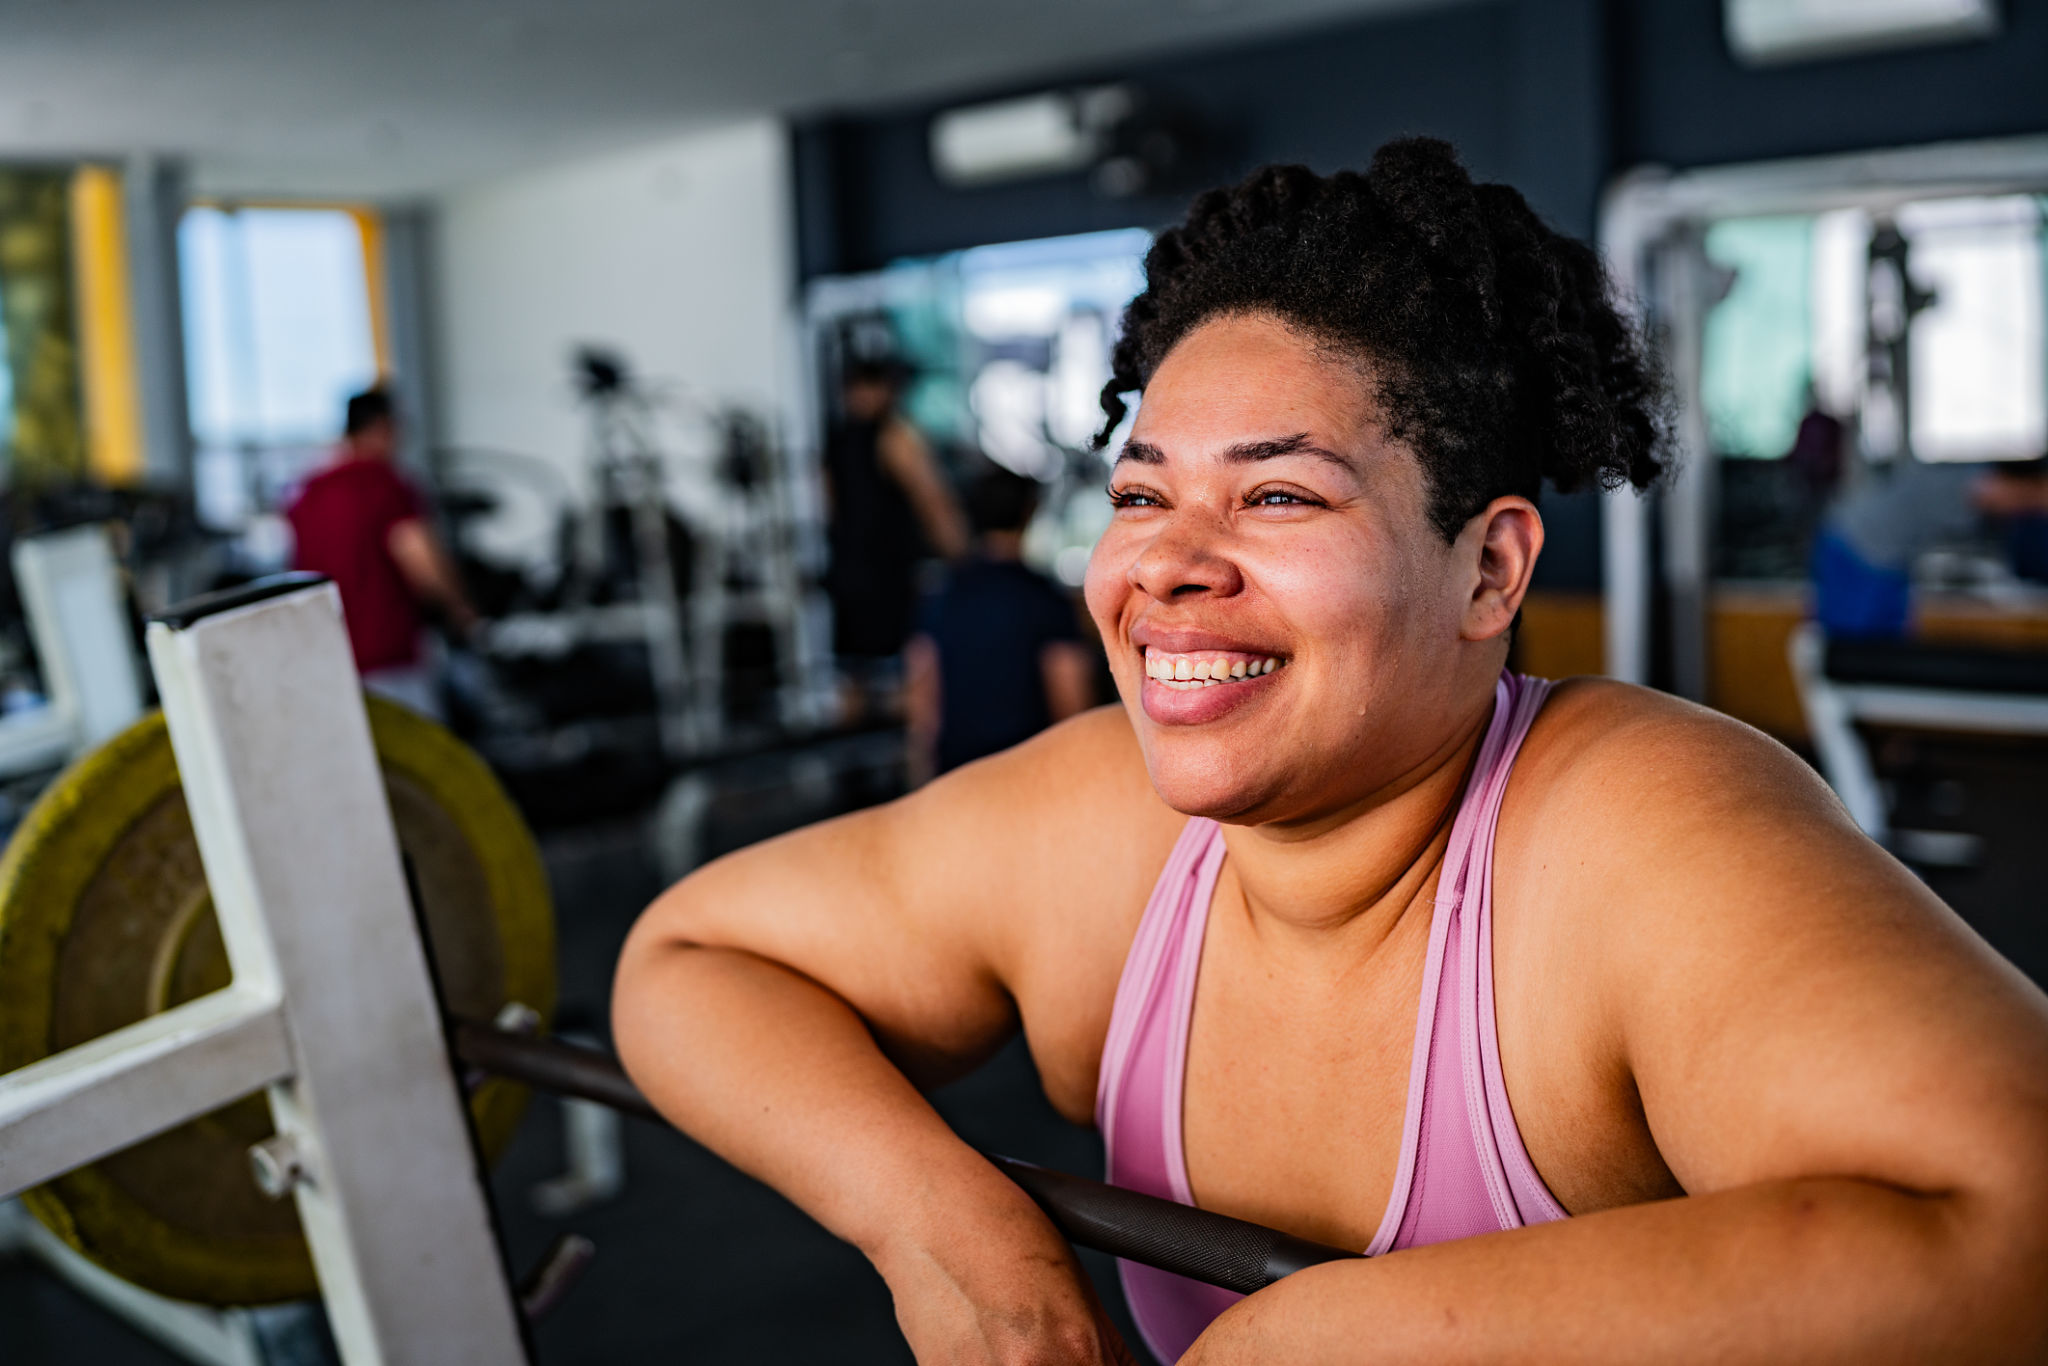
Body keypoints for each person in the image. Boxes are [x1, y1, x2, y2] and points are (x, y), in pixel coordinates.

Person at [614, 143, 2048, 1365]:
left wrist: (1301, 1339)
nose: (1168, 562)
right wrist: (946, 1227)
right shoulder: (1095, 822)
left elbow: (2017, 1221)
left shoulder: (1628, 825)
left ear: (1490, 572)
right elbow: (686, 961)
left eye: (1280, 493)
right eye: (1139, 491)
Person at [285, 387, 478, 717]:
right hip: (389, 657)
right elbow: (417, 555)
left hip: (329, 657)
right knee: (422, 758)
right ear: (382, 427)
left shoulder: (307, 492)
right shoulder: (383, 484)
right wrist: (461, 609)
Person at [905, 466, 1095, 781]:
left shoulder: (943, 595)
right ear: (1029, 513)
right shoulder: (1045, 599)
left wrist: (921, 784)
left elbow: (922, 701)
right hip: (1030, 781)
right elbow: (1071, 702)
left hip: (957, 782)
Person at [822, 359, 969, 718]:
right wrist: (965, 559)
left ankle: (860, 765)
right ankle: (903, 767)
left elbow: (829, 510)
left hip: (853, 576)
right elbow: (932, 500)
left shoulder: (837, 440)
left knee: (856, 679)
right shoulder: (894, 436)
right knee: (908, 682)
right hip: (888, 579)